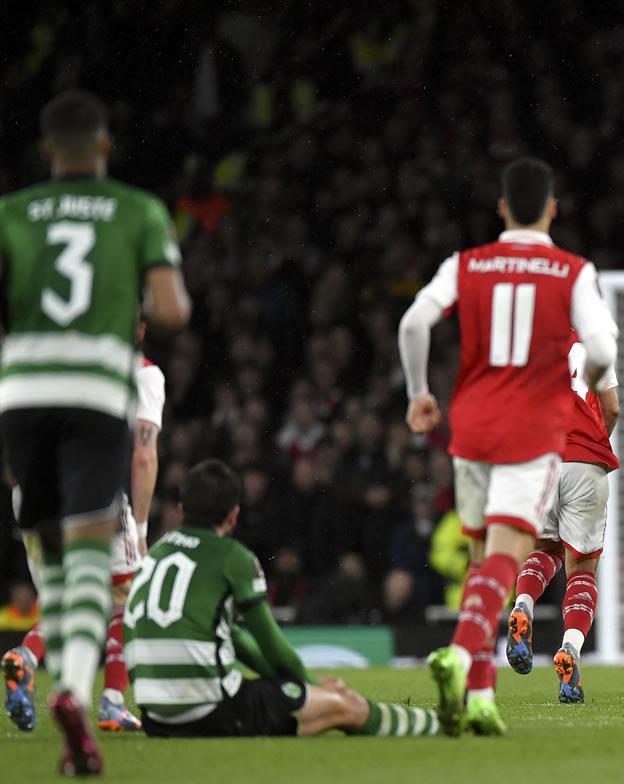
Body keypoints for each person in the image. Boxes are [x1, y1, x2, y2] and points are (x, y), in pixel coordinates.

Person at [0, 89, 190, 775]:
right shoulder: (136, 210)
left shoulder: (12, 213)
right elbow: (172, 306)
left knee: (67, 583)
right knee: (102, 580)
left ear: (47, 151)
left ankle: (43, 665)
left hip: (21, 399)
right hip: (90, 398)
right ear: (104, 147)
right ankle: (87, 697)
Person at [398, 157, 617, 735]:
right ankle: (465, 653)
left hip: (471, 427)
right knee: (510, 551)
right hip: (530, 434)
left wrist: (419, 393)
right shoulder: (571, 271)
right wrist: (586, 386)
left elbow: (414, 324)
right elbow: (600, 347)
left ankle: (479, 694)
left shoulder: (467, 264)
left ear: (500, 207)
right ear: (551, 208)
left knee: (483, 558)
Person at [126, 459, 441, 739]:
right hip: (210, 710)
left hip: (154, 716)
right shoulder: (232, 557)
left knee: (303, 697)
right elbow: (271, 646)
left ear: (182, 509)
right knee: (344, 706)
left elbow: (234, 641)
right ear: (234, 516)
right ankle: (435, 724)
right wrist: (311, 685)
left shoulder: (154, 556)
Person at [4, 316, 166, 733]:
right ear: (141, 328)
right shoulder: (142, 373)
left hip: (32, 491)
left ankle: (25, 658)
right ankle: (112, 699)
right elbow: (144, 454)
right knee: (130, 592)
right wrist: (143, 530)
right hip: (92, 493)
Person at [505, 331, 620, 703]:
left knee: (545, 548)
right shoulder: (594, 344)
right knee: (582, 568)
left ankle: (523, 605)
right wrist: (595, 442)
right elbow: (612, 407)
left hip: (535, 458)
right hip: (583, 458)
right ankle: (570, 648)